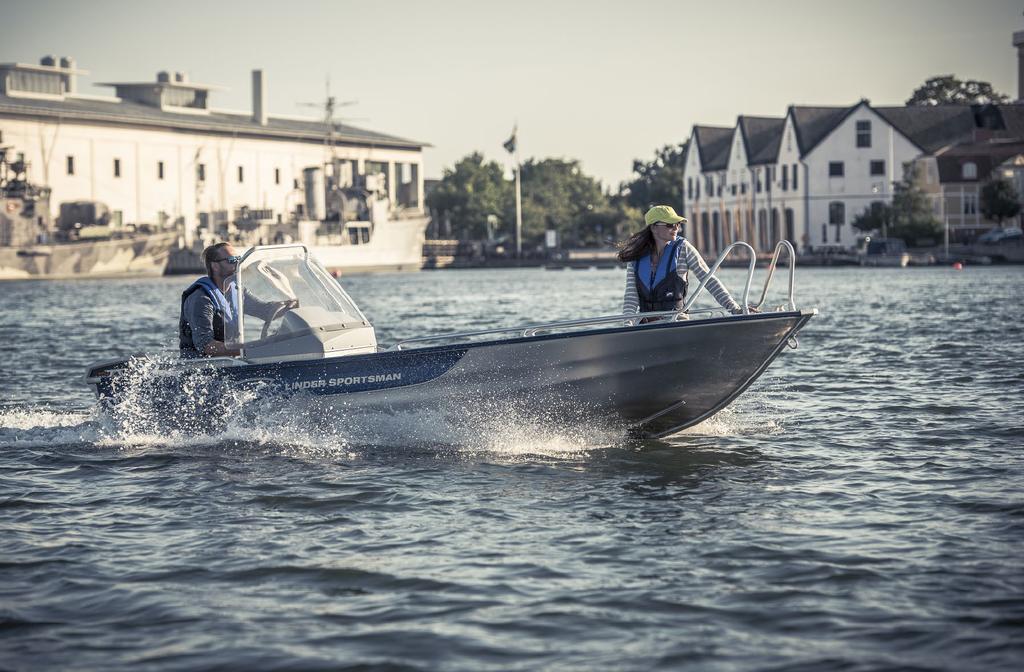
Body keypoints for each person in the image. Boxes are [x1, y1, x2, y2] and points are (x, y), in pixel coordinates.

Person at [618, 205, 748, 319]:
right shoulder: (636, 256)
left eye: (677, 224)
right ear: (653, 228)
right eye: (670, 225)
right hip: (645, 324)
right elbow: (631, 297)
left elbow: (709, 280)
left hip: (676, 321)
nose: (676, 228)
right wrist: (627, 325)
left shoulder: (684, 248)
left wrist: (735, 309)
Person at [178, 243, 298, 358]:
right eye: (231, 260)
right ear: (215, 266)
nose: (237, 264)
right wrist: (250, 349)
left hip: (231, 362)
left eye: (239, 259)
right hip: (201, 368)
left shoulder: (238, 292)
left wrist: (289, 305)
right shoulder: (201, 299)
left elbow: (265, 311)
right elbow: (206, 346)